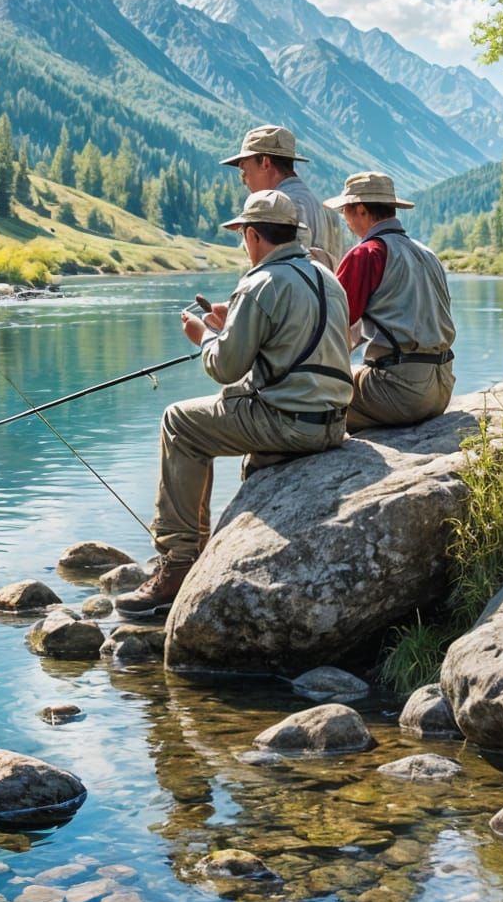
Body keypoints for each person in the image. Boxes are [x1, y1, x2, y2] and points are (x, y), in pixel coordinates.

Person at [114, 189, 353, 617]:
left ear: (253, 235)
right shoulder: (326, 278)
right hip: (333, 425)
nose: (244, 243)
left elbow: (225, 368)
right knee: (229, 411)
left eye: (243, 234)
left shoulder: (260, 282)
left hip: (291, 424)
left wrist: (203, 335)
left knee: (179, 422)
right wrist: (237, 325)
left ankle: (178, 564)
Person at [324, 171, 456, 432]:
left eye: (346, 212)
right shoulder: (427, 253)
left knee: (311, 399)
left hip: (400, 392)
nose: (345, 220)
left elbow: (328, 324)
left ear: (360, 210)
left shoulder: (366, 254)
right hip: (442, 387)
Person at [219, 124, 343, 268]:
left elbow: (279, 272)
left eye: (244, 169)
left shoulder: (284, 207)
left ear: (265, 163)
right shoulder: (316, 203)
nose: (243, 179)